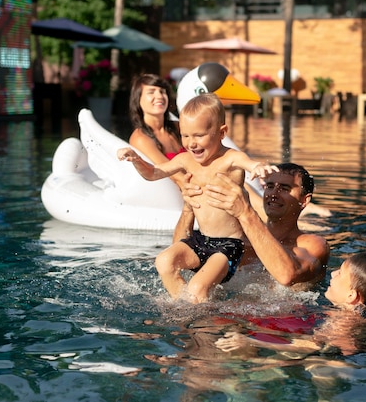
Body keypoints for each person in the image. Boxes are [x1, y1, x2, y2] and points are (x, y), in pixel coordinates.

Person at [117, 93, 279, 303]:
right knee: (164, 262)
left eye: (199, 135)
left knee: (197, 288)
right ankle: (183, 307)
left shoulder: (230, 159)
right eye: (185, 136)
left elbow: (249, 163)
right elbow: (153, 173)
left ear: (221, 132)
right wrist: (136, 159)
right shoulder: (185, 160)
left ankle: (203, 321)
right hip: (201, 239)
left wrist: (259, 167)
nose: (191, 143)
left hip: (229, 246)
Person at [178, 162, 330, 290]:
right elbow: (180, 262)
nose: (273, 194)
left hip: (286, 320)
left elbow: (286, 276)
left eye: (284, 188)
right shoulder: (240, 238)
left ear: (304, 200)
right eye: (270, 186)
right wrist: (188, 208)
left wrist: (246, 213)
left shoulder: (313, 244)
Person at [215, 252, 366, 356]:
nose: (333, 274)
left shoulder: (344, 321)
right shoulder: (355, 315)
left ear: (351, 295)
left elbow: (309, 346)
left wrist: (248, 340)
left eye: (340, 273)